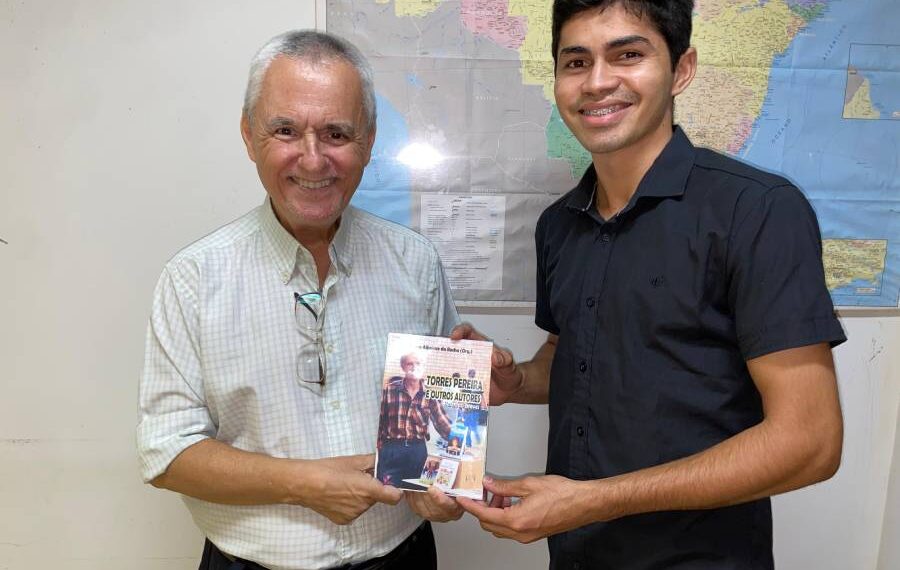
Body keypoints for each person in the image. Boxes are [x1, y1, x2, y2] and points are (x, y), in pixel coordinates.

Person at [455, 1, 846, 568]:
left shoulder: (757, 210)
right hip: (577, 555)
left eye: (628, 55)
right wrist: (516, 381)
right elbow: (573, 353)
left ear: (680, 69)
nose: (597, 82)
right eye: (576, 61)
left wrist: (594, 501)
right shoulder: (558, 224)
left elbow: (810, 443)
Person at [137, 30, 461, 570]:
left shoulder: (415, 263)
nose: (313, 161)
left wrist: (440, 484)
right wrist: (304, 484)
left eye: (337, 133)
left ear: (370, 139)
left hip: (400, 557)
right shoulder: (193, 279)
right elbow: (166, 453)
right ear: (247, 134)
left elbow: (432, 427)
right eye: (285, 130)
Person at [376, 352, 454, 489]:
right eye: (409, 363)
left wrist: (459, 441)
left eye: (418, 363)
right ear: (403, 367)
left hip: (417, 452)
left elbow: (444, 424)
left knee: (420, 490)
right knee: (384, 490)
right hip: (391, 450)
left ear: (423, 367)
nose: (414, 367)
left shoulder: (430, 394)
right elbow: (380, 421)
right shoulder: (389, 390)